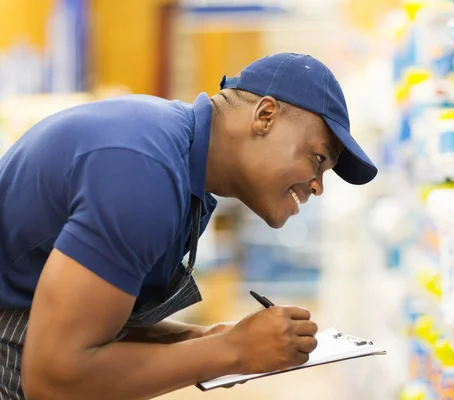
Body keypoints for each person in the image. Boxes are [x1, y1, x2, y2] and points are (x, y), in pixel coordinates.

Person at [0, 53, 377, 400]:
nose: (318, 185)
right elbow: (53, 379)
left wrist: (202, 337)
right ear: (264, 115)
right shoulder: (144, 173)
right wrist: (233, 351)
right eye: (317, 158)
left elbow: (93, 322)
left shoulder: (178, 165)